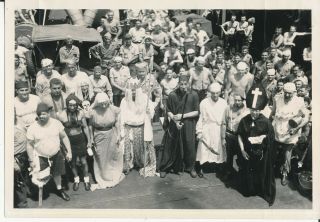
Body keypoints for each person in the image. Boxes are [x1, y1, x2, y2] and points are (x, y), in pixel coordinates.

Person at [237, 84, 276, 206]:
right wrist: (242, 150)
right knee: (249, 171)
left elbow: (271, 137)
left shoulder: (265, 122)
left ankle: (260, 190)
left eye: (257, 110)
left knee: (261, 172)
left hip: (261, 154)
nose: (254, 113)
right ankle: (250, 189)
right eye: (253, 110)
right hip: (248, 152)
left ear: (260, 110)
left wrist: (263, 140)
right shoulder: (245, 120)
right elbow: (239, 135)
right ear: (249, 109)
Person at [26, 103, 72, 201]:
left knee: (57, 173)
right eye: (39, 114)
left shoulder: (56, 123)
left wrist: (69, 152)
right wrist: (31, 160)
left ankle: (60, 190)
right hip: (40, 156)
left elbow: (64, 137)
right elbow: (29, 145)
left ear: (49, 113)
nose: (41, 116)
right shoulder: (32, 127)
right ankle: (42, 193)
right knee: (40, 177)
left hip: (56, 154)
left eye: (44, 114)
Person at [158, 75, 199, 178]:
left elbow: (196, 112)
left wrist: (183, 116)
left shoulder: (193, 95)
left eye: (186, 84)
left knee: (189, 144)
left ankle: (190, 167)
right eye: (181, 84)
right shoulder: (172, 95)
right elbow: (169, 111)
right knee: (171, 145)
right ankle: (166, 167)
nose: (183, 87)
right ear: (178, 84)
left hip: (188, 123)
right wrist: (175, 121)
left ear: (188, 84)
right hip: (174, 124)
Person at [270, 82, 309, 186]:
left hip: (290, 132)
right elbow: (273, 113)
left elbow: (306, 118)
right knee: (273, 152)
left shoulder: (299, 101)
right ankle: (270, 172)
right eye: (285, 92)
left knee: (287, 154)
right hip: (277, 129)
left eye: (290, 93)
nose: (287, 95)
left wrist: (297, 128)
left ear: (295, 92)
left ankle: (285, 173)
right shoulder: (277, 98)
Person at [88, 93, 125, 190]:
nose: (104, 105)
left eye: (105, 103)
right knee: (101, 156)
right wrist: (91, 138)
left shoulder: (112, 109)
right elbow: (90, 125)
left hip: (111, 134)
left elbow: (116, 122)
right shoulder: (93, 111)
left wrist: (118, 134)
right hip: (99, 135)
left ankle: (112, 175)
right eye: (101, 103)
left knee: (111, 155)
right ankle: (102, 177)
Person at [120, 84, 157, 177]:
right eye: (131, 90)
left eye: (135, 90)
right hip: (128, 127)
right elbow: (121, 115)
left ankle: (142, 163)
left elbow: (151, 109)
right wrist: (122, 129)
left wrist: (150, 110)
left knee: (143, 146)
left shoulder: (144, 98)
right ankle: (128, 165)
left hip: (141, 126)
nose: (133, 92)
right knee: (128, 147)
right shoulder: (124, 100)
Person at [57, 94, 92, 191]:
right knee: (72, 163)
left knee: (84, 161)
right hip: (69, 141)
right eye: (70, 105)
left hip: (80, 139)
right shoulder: (62, 115)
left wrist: (89, 141)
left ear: (77, 105)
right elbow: (60, 131)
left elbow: (85, 127)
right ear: (67, 104)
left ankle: (86, 179)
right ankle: (76, 179)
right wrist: (62, 144)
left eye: (74, 105)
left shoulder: (81, 113)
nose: (72, 107)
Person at [196, 83, 228, 178]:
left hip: (219, 128)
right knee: (204, 147)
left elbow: (225, 119)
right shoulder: (204, 102)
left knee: (219, 147)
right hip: (208, 127)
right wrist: (199, 131)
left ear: (220, 93)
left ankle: (219, 166)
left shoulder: (223, 103)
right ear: (209, 92)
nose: (215, 95)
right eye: (213, 93)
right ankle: (201, 166)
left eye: (217, 93)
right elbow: (201, 118)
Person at [224, 94, 249, 180]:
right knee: (229, 155)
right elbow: (224, 121)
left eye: (239, 100)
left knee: (240, 155)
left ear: (243, 101)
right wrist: (224, 135)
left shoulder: (246, 111)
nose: (237, 102)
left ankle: (241, 174)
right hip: (230, 135)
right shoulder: (229, 108)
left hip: (240, 137)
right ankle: (228, 172)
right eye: (235, 100)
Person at [14, 110, 29, 208]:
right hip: (16, 157)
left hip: (25, 154)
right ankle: (22, 205)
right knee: (18, 182)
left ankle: (27, 194)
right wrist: (13, 164)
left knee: (25, 177)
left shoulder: (19, 119)